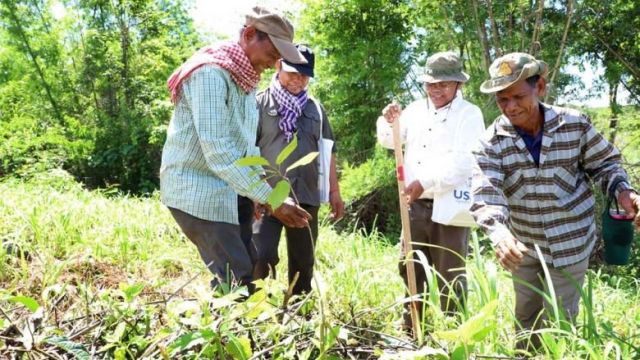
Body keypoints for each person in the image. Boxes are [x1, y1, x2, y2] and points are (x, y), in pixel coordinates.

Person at [471, 52, 640, 350]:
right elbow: (487, 193)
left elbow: (605, 166)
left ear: (540, 87)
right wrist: (499, 235)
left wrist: (625, 193)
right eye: (502, 100)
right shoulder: (491, 142)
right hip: (523, 246)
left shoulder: (574, 124)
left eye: (518, 96)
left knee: (560, 323)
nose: (511, 107)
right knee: (526, 318)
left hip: (570, 242)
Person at [160, 6, 312, 292]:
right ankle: (230, 336)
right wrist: (272, 199)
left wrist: (257, 195)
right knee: (235, 279)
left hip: (231, 189)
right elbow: (219, 150)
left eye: (280, 56)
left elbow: (244, 146)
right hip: (199, 190)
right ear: (250, 34)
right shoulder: (210, 74)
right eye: (273, 52)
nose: (274, 62)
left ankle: (232, 333)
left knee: (249, 266)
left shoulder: (244, 78)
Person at [376, 51, 485, 326]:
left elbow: (465, 161)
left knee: (451, 273)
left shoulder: (469, 114)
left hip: (450, 206)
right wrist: (389, 119)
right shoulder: (414, 110)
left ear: (458, 84)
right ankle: (413, 328)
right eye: (431, 84)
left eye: (444, 84)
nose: (436, 90)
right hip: (414, 205)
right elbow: (390, 140)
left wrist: (425, 182)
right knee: (410, 267)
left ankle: (455, 334)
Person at [252, 44, 344, 295]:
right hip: (267, 196)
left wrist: (334, 192)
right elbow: (247, 150)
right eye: (293, 72)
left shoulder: (316, 109)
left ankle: (299, 312)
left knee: (304, 261)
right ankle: (254, 310)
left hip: (307, 196)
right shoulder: (258, 104)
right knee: (261, 255)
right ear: (278, 66)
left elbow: (328, 150)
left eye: (304, 75)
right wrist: (252, 193)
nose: (298, 80)